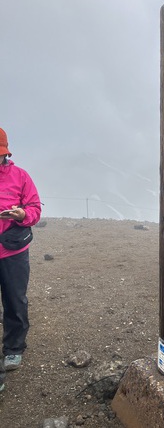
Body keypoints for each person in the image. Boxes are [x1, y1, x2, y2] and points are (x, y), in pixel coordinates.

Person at [0, 128, 41, 373]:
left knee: (15, 301)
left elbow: (35, 208)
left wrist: (23, 214)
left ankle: (14, 348)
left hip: (13, 252)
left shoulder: (21, 176)